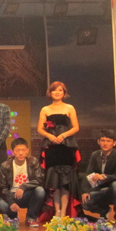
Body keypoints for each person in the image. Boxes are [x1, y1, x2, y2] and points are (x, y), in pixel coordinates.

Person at [37, 81, 80, 218]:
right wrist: (50, 136)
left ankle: (64, 212)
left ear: (64, 93)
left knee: (65, 182)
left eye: (60, 90)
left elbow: (76, 127)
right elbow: (40, 129)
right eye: (54, 90)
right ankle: (57, 211)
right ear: (50, 93)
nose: (57, 92)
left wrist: (63, 135)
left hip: (66, 146)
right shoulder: (45, 109)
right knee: (54, 181)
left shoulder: (69, 108)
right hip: (52, 147)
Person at [81, 129, 116, 226]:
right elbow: (88, 174)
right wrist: (84, 191)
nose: (105, 143)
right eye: (102, 140)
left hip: (115, 190)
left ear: (114, 143)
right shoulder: (95, 155)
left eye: (108, 141)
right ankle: (104, 211)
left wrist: (104, 177)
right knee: (84, 200)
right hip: (100, 190)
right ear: (98, 142)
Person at [0, 137, 46, 227]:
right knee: (2, 204)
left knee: (40, 191)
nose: (20, 153)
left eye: (23, 150)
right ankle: (12, 219)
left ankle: (31, 218)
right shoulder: (5, 165)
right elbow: (2, 187)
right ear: (13, 152)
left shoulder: (33, 161)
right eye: (17, 150)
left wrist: (24, 186)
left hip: (27, 194)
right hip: (11, 195)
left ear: (27, 151)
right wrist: (11, 202)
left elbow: (39, 179)